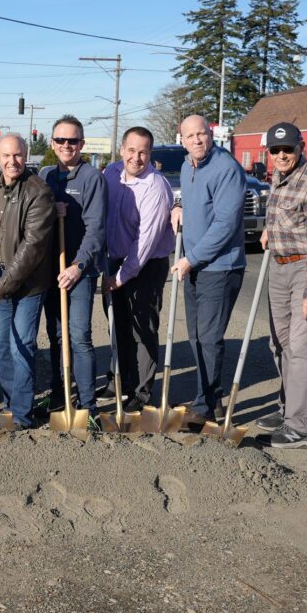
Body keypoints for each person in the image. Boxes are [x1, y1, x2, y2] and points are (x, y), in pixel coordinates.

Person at [256, 122, 307, 449]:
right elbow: (283, 217)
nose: (281, 155)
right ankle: (289, 409)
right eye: (275, 151)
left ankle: (301, 429)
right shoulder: (278, 178)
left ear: (301, 147)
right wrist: (269, 232)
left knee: (303, 349)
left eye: (287, 149)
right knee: (280, 344)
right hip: (279, 266)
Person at [170, 115, 246, 426]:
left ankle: (206, 405)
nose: (197, 140)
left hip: (219, 267)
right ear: (182, 140)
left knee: (209, 337)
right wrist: (180, 208)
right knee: (195, 337)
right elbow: (202, 205)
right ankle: (206, 397)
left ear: (210, 134)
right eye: (190, 136)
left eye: (201, 134)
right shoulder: (189, 166)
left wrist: (191, 258)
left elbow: (225, 225)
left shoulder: (226, 168)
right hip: (195, 266)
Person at [0, 133, 56, 429]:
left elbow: (32, 248)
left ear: (27, 155)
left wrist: (0, 287)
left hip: (29, 283)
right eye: (6, 156)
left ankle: (22, 414)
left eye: (18, 155)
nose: (12, 161)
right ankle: (10, 403)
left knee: (21, 344)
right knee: (0, 345)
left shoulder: (39, 192)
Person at [102, 127, 176, 410]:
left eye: (143, 151)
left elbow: (144, 244)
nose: (136, 157)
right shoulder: (110, 173)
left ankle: (142, 392)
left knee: (141, 328)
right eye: (131, 150)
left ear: (150, 154)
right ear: (122, 150)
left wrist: (119, 278)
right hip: (115, 260)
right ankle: (118, 379)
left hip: (145, 265)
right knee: (116, 322)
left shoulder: (155, 187)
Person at [38, 115, 106, 420]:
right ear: (53, 143)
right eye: (61, 140)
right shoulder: (45, 175)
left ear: (82, 144)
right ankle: (58, 393)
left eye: (73, 141)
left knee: (79, 336)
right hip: (51, 270)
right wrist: (52, 212)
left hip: (80, 271)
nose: (67, 146)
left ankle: (88, 405)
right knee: (55, 334)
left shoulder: (92, 177)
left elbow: (97, 229)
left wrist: (78, 266)